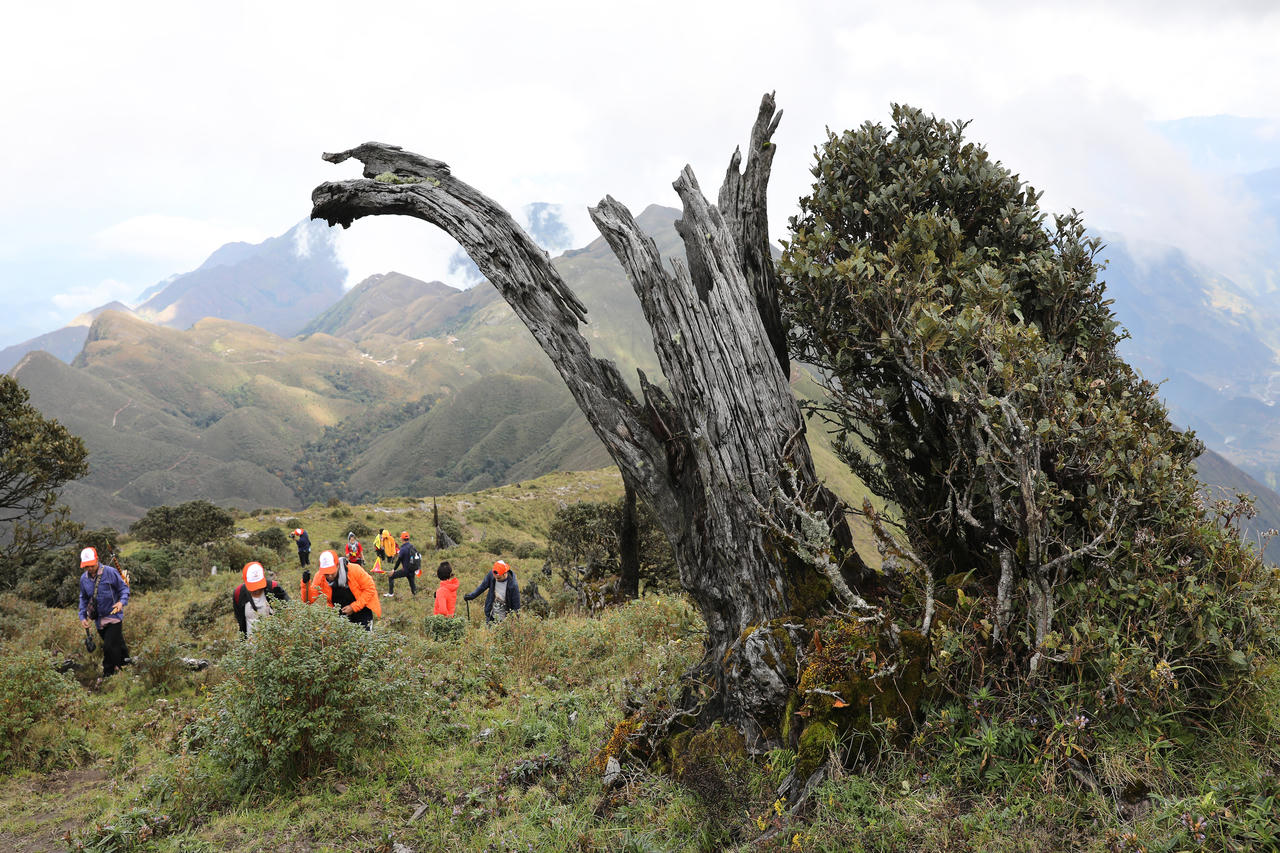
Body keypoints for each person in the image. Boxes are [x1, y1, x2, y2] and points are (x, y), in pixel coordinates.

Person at [77, 546, 131, 677]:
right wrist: (83, 617)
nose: (89, 568)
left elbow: (123, 589)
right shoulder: (84, 579)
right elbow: (83, 598)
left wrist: (121, 602)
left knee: (108, 646)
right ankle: (127, 666)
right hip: (99, 620)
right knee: (118, 644)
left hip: (114, 616)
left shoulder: (110, 572)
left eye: (91, 565)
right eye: (86, 566)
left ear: (97, 560)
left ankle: (108, 673)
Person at [308, 549, 381, 630]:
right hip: (340, 616)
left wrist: (353, 607)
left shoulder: (355, 570)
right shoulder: (320, 577)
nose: (330, 576)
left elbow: (370, 589)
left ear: (338, 565)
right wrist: (305, 584)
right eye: (326, 574)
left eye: (332, 572)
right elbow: (308, 600)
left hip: (362, 611)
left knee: (364, 640)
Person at [233, 561, 289, 637]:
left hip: (275, 643)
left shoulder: (274, 588)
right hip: (250, 645)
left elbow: (289, 610)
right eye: (253, 586)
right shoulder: (238, 593)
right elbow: (240, 619)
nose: (256, 590)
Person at [463, 559, 521, 624]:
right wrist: (471, 596)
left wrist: (515, 623)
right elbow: (482, 586)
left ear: (505, 574)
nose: (496, 579)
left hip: (505, 620)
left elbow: (517, 606)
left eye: (498, 578)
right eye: (495, 577)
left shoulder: (513, 585)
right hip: (491, 615)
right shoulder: (492, 574)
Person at [385, 531, 421, 598]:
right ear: (408, 538)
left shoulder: (403, 549)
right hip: (412, 569)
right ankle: (415, 596)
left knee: (391, 576)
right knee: (412, 583)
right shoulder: (412, 547)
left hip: (405, 570)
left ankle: (391, 593)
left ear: (401, 539)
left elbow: (399, 560)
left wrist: (394, 569)